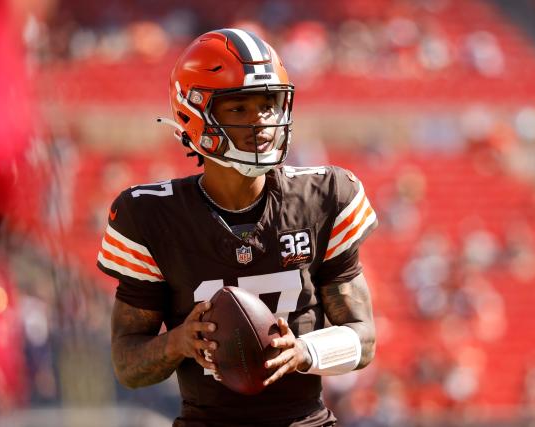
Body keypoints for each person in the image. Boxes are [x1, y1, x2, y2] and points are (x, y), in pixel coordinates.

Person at [97, 28, 378, 427]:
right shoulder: (150, 216)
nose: (260, 122)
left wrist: (302, 350)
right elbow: (127, 364)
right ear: (193, 114)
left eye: (268, 105)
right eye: (238, 108)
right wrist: (178, 342)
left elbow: (364, 338)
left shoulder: (323, 195)